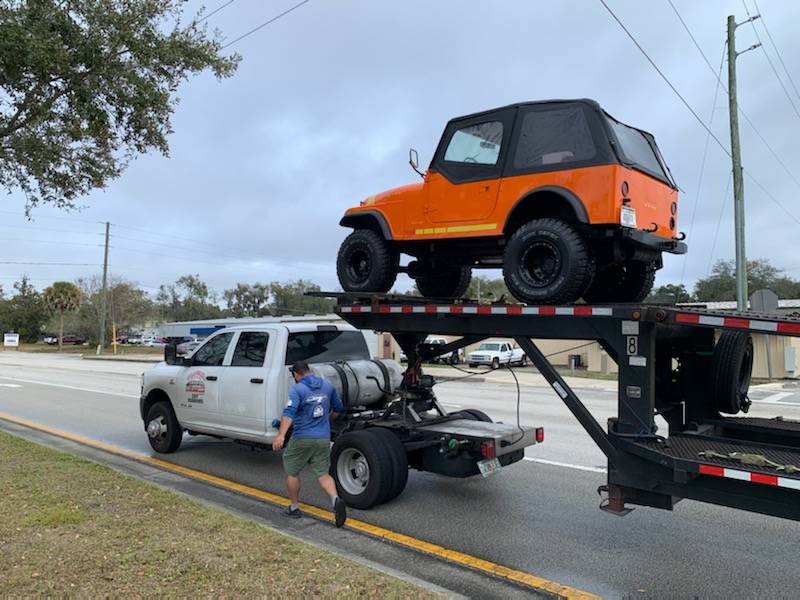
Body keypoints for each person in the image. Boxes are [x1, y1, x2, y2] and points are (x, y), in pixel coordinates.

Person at [272, 360, 347, 527]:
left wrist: (281, 435)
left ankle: (293, 507)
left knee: (292, 471)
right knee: (323, 474)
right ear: (309, 370)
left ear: (297, 375)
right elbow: (338, 407)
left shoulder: (297, 389)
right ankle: (335, 500)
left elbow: (289, 412)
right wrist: (328, 419)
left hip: (302, 437)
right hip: (322, 438)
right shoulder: (327, 385)